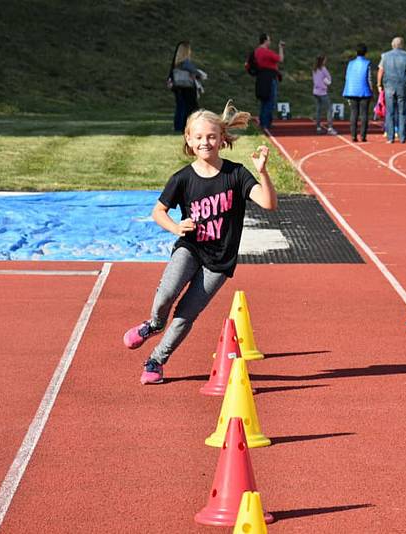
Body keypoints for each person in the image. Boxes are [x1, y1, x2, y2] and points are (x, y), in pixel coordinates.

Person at [123, 101, 278, 384]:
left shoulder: (237, 174)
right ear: (189, 141)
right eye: (199, 137)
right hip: (191, 247)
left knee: (185, 315)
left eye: (211, 136)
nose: (205, 142)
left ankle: (156, 361)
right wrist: (176, 227)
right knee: (166, 295)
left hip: (219, 260)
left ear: (222, 139)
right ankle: (154, 324)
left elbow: (268, 203)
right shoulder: (182, 179)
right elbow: (158, 212)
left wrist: (263, 171)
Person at [377, 36, 406, 143]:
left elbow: (380, 71)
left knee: (389, 112)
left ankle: (390, 137)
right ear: (402, 45)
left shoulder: (385, 56)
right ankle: (402, 137)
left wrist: (379, 84)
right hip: (402, 86)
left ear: (392, 45)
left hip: (389, 86)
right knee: (402, 112)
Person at [168, 41, 206, 132]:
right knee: (190, 107)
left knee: (180, 107)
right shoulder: (186, 63)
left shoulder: (176, 64)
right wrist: (201, 75)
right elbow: (196, 72)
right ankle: (188, 125)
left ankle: (178, 126)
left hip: (178, 88)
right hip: (188, 87)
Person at [343, 43, 374, 142]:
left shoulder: (350, 63)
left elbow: (347, 77)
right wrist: (371, 90)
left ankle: (353, 135)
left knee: (354, 113)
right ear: (366, 53)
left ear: (356, 52)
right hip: (364, 90)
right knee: (364, 114)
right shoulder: (367, 63)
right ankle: (363, 135)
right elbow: (369, 78)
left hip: (352, 90)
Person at [253, 33, 285, 130]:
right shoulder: (266, 52)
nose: (270, 42)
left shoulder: (257, 51)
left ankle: (263, 122)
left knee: (264, 101)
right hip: (270, 78)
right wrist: (281, 48)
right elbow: (280, 59)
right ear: (265, 41)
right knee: (270, 101)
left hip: (261, 78)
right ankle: (266, 124)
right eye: (269, 40)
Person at [312, 55, 337, 135]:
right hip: (322, 92)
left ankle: (318, 127)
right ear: (322, 61)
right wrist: (325, 82)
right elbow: (329, 80)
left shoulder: (314, 69)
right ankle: (330, 128)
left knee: (318, 110)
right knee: (329, 109)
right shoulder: (323, 69)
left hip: (315, 92)